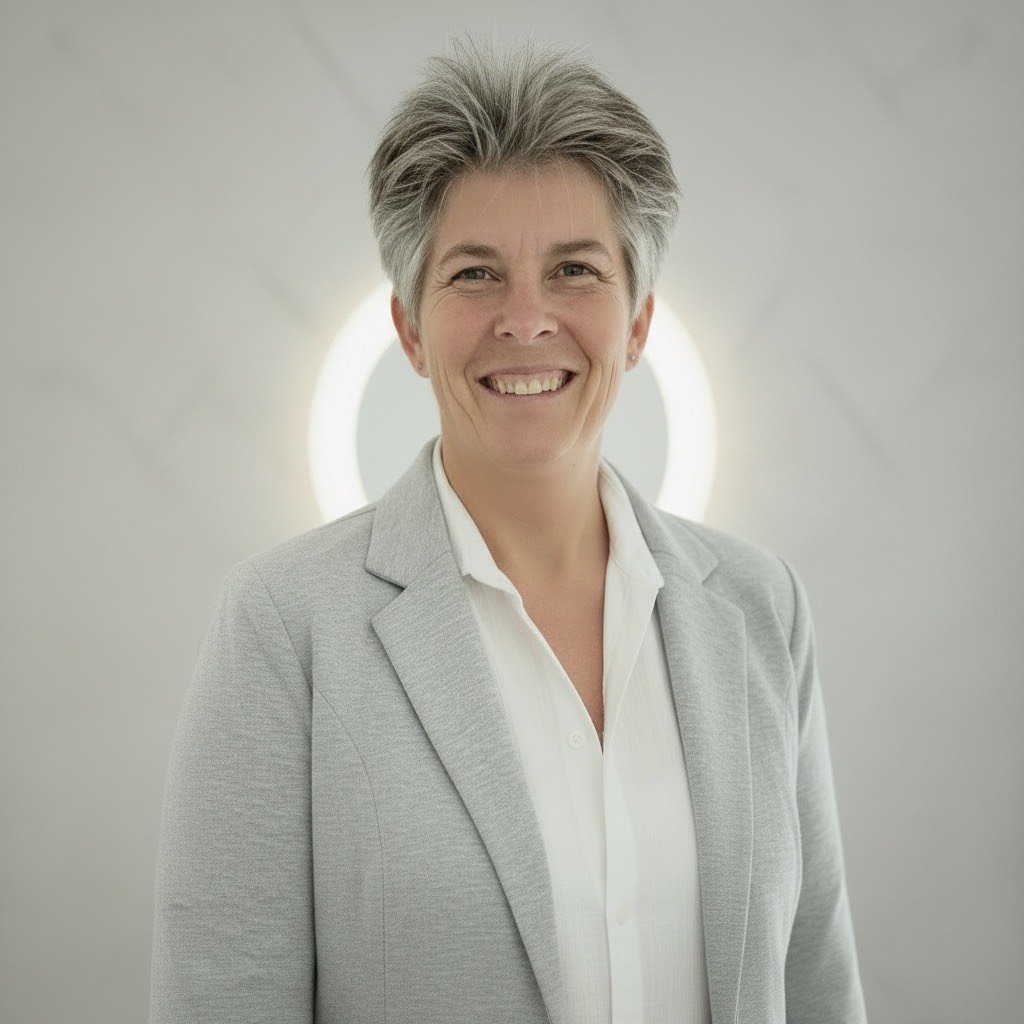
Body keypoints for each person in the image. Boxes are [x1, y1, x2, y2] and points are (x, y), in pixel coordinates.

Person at [150, 32, 868, 1024]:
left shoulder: (760, 610)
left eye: (574, 269)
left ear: (639, 322)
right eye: (475, 275)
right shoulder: (286, 627)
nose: (526, 319)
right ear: (408, 327)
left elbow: (816, 985)